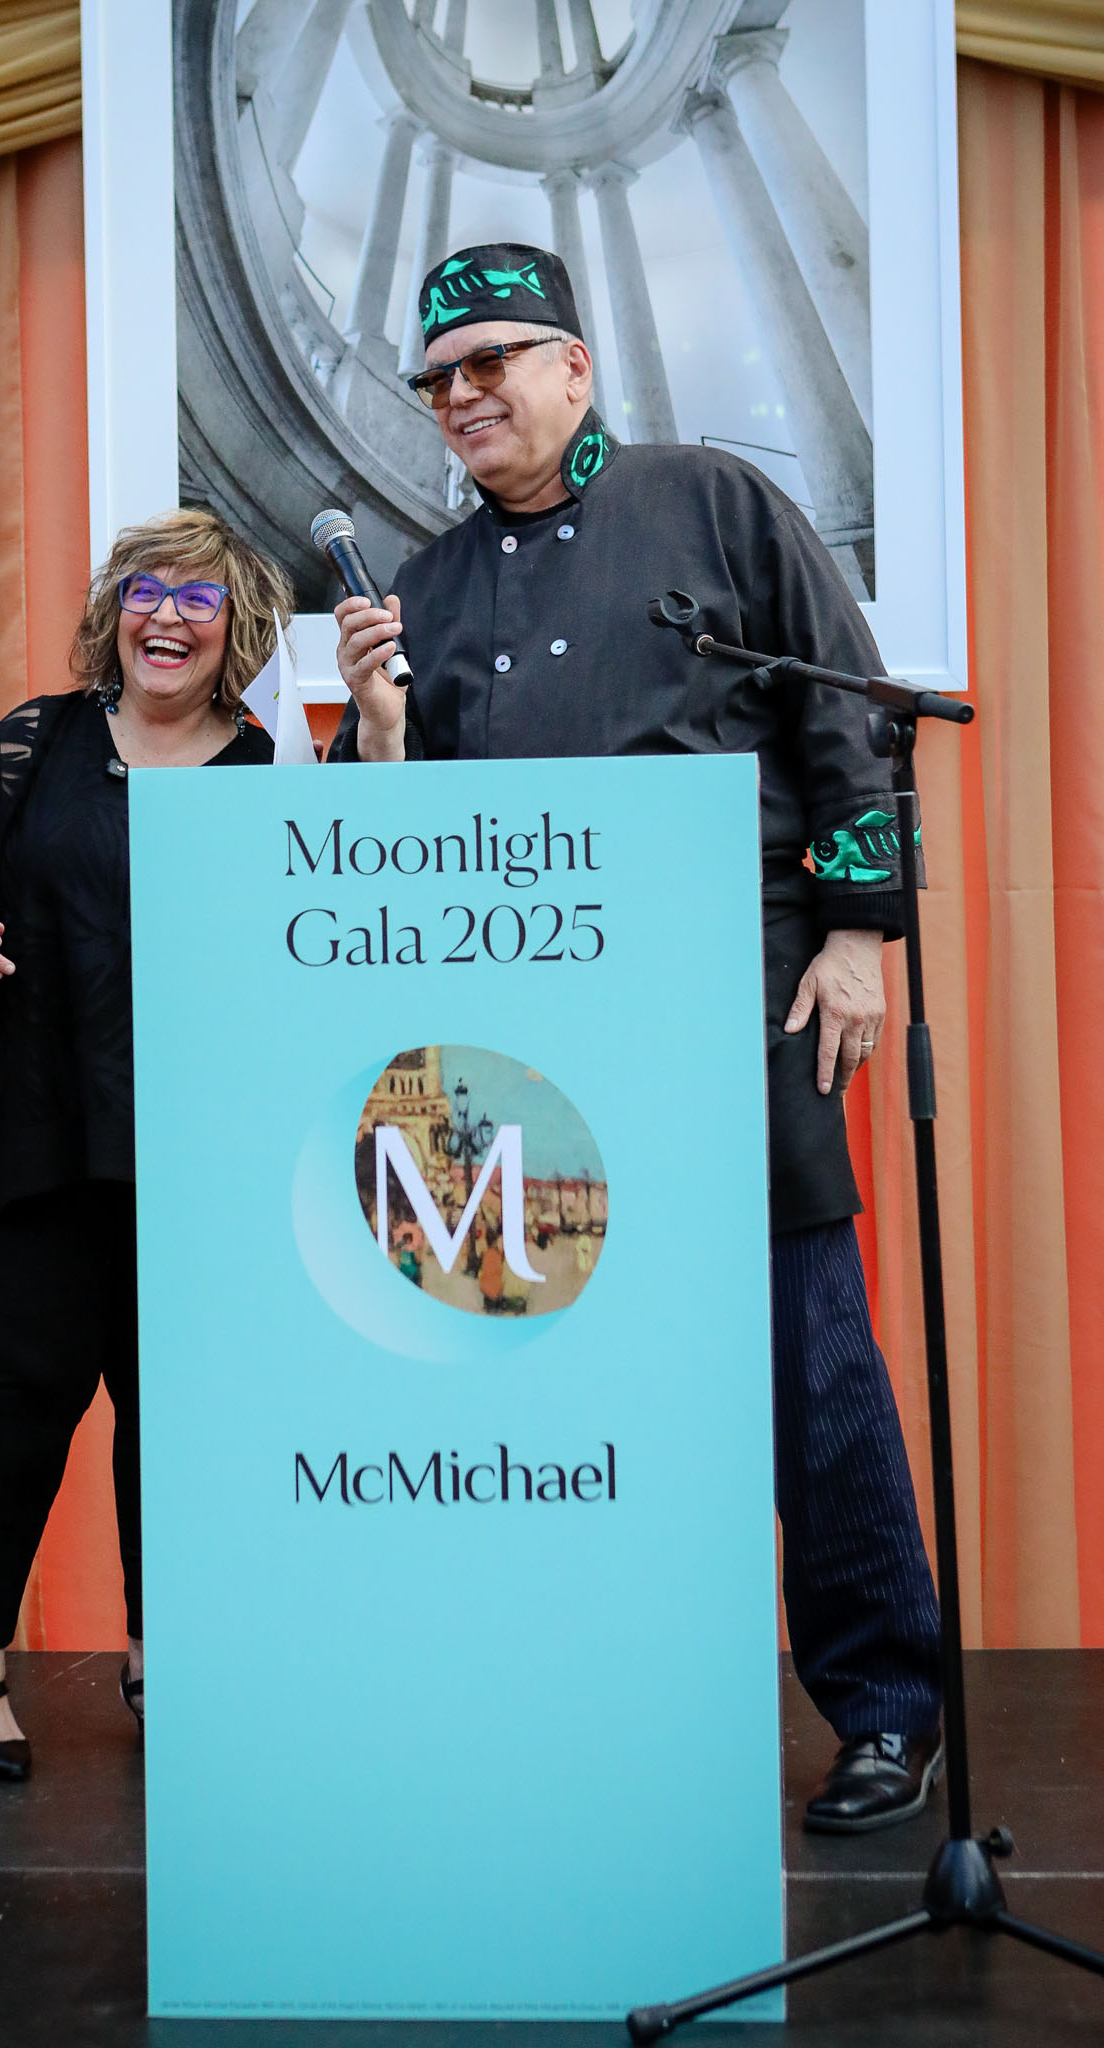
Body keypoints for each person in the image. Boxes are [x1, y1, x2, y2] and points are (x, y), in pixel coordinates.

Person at [329, 243, 944, 1833]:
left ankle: (886, 1704)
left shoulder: (713, 501)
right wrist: (378, 737)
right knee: (558, 1382)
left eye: (493, 362)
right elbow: (394, 859)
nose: (463, 395)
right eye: (439, 379)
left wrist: (860, 935)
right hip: (526, 1060)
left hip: (736, 1004)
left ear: (575, 367)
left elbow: (845, 712)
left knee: (807, 1359)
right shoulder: (425, 588)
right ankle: (591, 1702)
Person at [0, 507, 290, 1781]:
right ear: (114, 614)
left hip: (185, 1142)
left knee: (168, 1405)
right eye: (145, 591)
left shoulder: (263, 772)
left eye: (198, 597)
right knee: (24, 1391)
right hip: (16, 1118)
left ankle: (156, 1648)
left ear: (235, 628)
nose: (167, 616)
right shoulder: (37, 739)